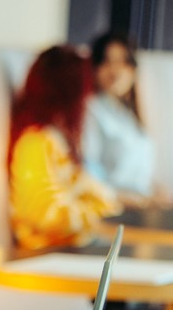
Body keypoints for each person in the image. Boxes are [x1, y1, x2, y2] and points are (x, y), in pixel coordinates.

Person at [8, 43, 121, 249]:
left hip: (74, 246)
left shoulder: (58, 140)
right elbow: (46, 216)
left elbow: (100, 196)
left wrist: (104, 206)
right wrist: (96, 213)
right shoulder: (36, 142)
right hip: (49, 254)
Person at [81, 30, 159, 200]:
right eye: (107, 62)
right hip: (114, 210)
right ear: (95, 68)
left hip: (141, 206)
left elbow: (140, 175)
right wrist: (133, 200)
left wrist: (156, 192)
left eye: (122, 62)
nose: (114, 71)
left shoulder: (128, 114)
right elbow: (88, 176)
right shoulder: (90, 110)